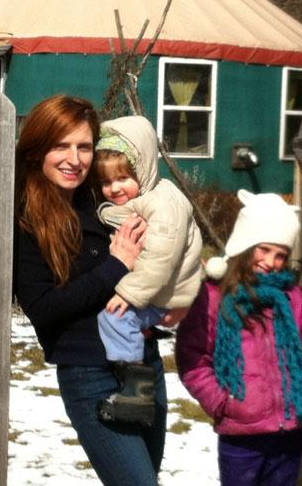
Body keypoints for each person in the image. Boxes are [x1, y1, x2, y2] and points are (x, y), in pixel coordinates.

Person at [13, 95, 167, 486]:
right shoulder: (24, 219)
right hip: (90, 373)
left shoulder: (100, 198)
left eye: (84, 147)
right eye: (61, 146)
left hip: (144, 365)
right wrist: (116, 266)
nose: (74, 159)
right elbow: (44, 307)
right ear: (37, 150)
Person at [175, 190, 302, 486]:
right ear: (245, 244)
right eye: (264, 249)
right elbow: (193, 359)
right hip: (242, 437)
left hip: (290, 430)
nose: (271, 262)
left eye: (281, 255)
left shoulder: (292, 298)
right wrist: (223, 404)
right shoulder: (212, 298)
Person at [93, 115, 203, 426]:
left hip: (166, 293)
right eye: (105, 182)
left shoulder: (163, 203)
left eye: (123, 178)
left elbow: (160, 258)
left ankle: (136, 394)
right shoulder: (144, 200)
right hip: (159, 290)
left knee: (115, 317)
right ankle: (133, 381)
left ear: (144, 171)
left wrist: (129, 293)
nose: (114, 188)